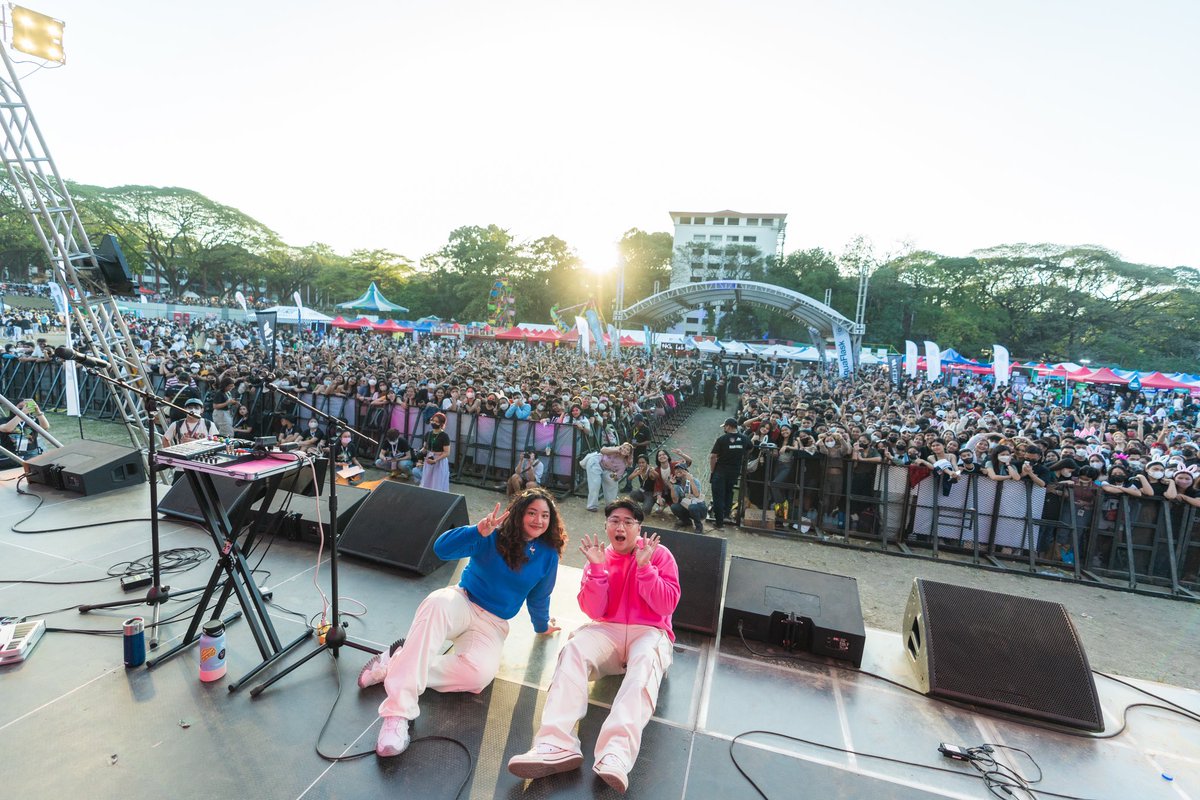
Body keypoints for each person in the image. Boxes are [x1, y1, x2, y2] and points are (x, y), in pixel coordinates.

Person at [359, 489, 567, 757]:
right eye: (532, 512)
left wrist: (542, 626)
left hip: (493, 623)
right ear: (519, 513)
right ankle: (398, 713)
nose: (539, 520)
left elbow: (540, 596)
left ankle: (396, 662)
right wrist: (477, 531)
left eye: (545, 515)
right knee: (436, 604)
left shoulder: (548, 554)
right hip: (463, 601)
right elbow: (441, 549)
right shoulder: (493, 532)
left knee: (477, 676)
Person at [507, 497, 680, 794]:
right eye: (614, 521)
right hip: (607, 629)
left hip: (649, 631)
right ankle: (554, 744)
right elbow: (592, 610)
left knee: (645, 664)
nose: (620, 526)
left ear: (639, 527)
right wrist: (598, 570)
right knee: (573, 649)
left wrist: (645, 568)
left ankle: (616, 754)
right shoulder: (599, 557)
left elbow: (667, 604)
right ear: (606, 526)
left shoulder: (659, 554)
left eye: (628, 522)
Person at [709, 417, 751, 529]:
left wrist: (712, 471)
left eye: (725, 427)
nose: (725, 429)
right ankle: (726, 515)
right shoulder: (744, 438)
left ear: (728, 426)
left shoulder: (722, 439)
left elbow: (713, 456)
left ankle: (719, 523)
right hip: (734, 471)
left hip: (720, 471)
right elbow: (750, 447)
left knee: (718, 496)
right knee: (729, 493)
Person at [581, 442, 633, 512]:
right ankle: (592, 505)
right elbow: (602, 450)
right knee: (595, 483)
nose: (624, 450)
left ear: (628, 454)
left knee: (613, 482)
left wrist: (612, 476)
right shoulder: (614, 449)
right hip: (597, 462)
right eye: (624, 447)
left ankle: (611, 505)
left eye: (627, 449)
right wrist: (616, 450)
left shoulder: (623, 464)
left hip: (608, 470)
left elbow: (617, 476)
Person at [0, 398, 48, 463]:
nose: (24, 409)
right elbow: (7, 429)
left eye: (26, 407)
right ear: (13, 408)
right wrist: (22, 413)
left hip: (31, 453)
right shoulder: (4, 420)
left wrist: (38, 411)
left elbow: (45, 427)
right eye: (20, 407)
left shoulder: (32, 420)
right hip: (10, 453)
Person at [419, 412, 451, 492]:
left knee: (437, 482)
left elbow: (447, 452)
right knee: (427, 480)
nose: (434, 423)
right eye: (433, 421)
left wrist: (436, 460)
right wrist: (419, 454)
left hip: (439, 461)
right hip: (429, 459)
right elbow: (425, 448)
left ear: (441, 423)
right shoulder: (428, 434)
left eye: (437, 422)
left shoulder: (444, 436)